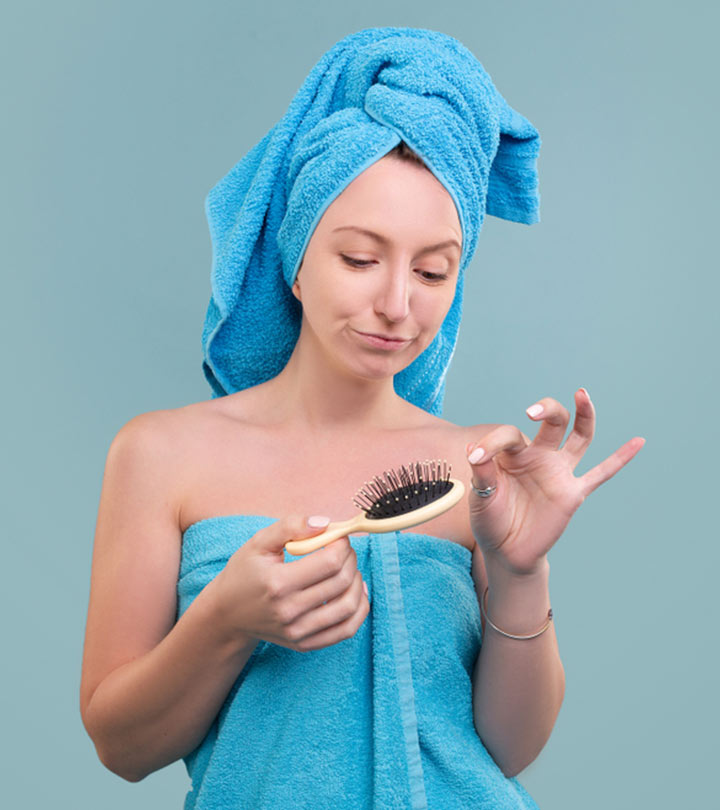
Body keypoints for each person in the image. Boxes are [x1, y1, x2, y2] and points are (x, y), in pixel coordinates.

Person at [80, 27, 644, 809]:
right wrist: (226, 623)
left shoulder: (477, 468)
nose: (397, 305)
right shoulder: (160, 456)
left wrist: (520, 573)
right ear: (297, 259)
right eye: (359, 259)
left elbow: (511, 747)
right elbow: (122, 747)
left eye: (433, 270)